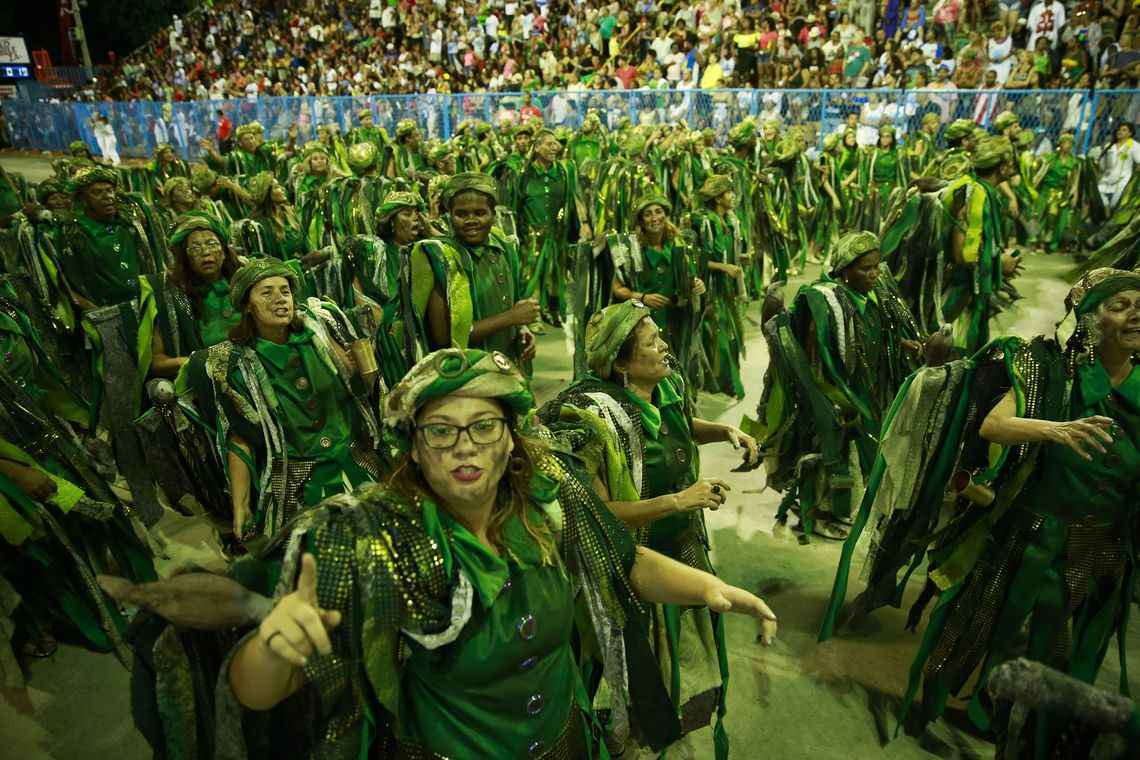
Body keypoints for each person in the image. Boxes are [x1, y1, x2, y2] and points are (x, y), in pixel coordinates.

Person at [223, 347, 777, 758]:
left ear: (512, 435)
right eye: (440, 431)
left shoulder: (549, 496)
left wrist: (711, 589)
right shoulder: (375, 538)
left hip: (566, 742)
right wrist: (275, 646)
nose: (465, 445)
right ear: (413, 448)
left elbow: (621, 562)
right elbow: (257, 694)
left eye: (484, 425)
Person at [822, 268, 1140, 756]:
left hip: (1104, 544)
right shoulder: (1048, 366)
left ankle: (1039, 729)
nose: (1135, 314)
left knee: (1067, 646)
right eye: (1120, 306)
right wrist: (1055, 430)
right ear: (1090, 319)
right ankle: (980, 709)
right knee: (989, 625)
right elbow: (995, 425)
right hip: (1035, 532)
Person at [539, 300, 763, 752]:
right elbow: (595, 513)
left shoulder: (666, 385)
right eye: (652, 342)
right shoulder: (589, 417)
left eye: (661, 336)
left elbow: (677, 424)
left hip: (680, 547)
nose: (665, 346)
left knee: (682, 654)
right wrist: (678, 501)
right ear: (620, 361)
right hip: (630, 570)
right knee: (633, 664)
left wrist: (723, 432)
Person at [175, 258, 382, 540]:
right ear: (247, 305)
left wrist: (359, 372)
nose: (279, 299)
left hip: (354, 460)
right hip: (299, 481)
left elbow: (363, 393)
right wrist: (241, 505)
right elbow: (241, 436)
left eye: (285, 291)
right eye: (266, 292)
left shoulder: (320, 337)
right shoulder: (240, 366)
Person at [755, 231, 923, 540]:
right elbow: (815, 360)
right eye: (864, 269)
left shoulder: (875, 296)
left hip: (866, 391)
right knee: (832, 456)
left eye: (876, 266)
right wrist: (833, 401)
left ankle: (838, 508)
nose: (874, 274)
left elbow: (875, 333)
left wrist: (901, 344)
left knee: (860, 453)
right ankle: (820, 513)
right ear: (843, 271)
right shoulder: (827, 304)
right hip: (834, 395)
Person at [410, 173, 537, 364]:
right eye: (461, 214)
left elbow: (512, 302)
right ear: (450, 216)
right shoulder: (440, 258)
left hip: (507, 367)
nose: (471, 220)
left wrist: (521, 329)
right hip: (467, 373)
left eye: (480, 213)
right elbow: (444, 338)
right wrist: (510, 318)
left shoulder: (504, 248)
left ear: (494, 215)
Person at [609, 191, 706, 386]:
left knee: (677, 366)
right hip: (643, 324)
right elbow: (616, 288)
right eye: (648, 214)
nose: (654, 218)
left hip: (676, 321)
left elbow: (690, 278)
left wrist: (697, 285)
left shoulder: (679, 245)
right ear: (641, 221)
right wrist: (642, 296)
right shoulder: (630, 249)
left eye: (658, 211)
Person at [140, 215, 243, 378]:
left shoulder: (244, 282)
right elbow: (156, 361)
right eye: (195, 248)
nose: (206, 252)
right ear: (185, 258)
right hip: (207, 377)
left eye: (212, 244)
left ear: (224, 252)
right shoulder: (171, 295)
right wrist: (199, 362)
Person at [57, 166, 163, 310]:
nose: (107, 196)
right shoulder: (74, 232)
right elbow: (68, 282)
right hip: (107, 313)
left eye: (109, 190)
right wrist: (95, 312)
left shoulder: (130, 223)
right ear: (83, 198)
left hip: (146, 304)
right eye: (97, 192)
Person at [515, 128, 588, 327]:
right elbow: (517, 205)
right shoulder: (524, 174)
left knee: (556, 274)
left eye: (556, 143)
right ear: (537, 147)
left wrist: (583, 225)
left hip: (558, 235)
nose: (555, 147)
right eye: (549, 144)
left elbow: (573, 200)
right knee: (531, 276)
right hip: (532, 237)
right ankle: (530, 318)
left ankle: (553, 311)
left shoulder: (563, 173)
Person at [690, 174, 746, 399]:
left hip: (726, 290)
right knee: (717, 333)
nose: (732, 196)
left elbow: (726, 252)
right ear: (716, 198)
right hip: (711, 290)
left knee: (727, 334)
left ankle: (723, 382)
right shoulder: (704, 222)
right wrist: (725, 267)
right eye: (728, 192)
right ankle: (719, 382)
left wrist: (740, 258)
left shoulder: (730, 221)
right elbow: (697, 259)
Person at [1034, 132, 1079, 252]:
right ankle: (1037, 241)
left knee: (1061, 219)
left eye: (1070, 143)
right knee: (1041, 215)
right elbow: (1040, 175)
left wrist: (1074, 195)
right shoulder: (1051, 159)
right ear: (1060, 144)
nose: (1068, 145)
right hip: (1047, 190)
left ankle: (1053, 244)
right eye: (1065, 142)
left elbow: (1075, 181)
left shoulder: (1073, 162)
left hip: (1062, 193)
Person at [1097, 122, 1140, 214]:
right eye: (1119, 129)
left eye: (1124, 130)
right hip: (1107, 179)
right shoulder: (1109, 146)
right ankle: (1106, 213)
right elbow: (1102, 165)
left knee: (1115, 204)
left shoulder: (1134, 146)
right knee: (1098, 193)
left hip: (1123, 180)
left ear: (1130, 133)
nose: (1120, 132)